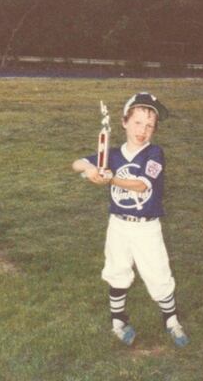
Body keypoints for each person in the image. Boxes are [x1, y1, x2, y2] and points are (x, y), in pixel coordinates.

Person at [72, 92, 189, 348]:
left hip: (146, 226)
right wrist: (91, 169)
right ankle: (118, 322)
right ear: (124, 122)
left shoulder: (154, 154)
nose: (143, 130)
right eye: (137, 122)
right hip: (119, 224)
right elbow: (76, 163)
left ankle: (171, 321)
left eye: (149, 126)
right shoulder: (113, 154)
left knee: (158, 273)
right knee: (117, 270)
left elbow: (140, 185)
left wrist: (110, 178)